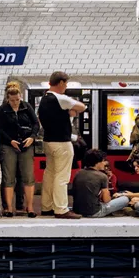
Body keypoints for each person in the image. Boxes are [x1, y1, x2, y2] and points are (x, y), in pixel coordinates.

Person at [38, 71, 86, 219]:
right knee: (62, 176)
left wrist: (68, 112)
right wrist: (70, 110)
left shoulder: (44, 99)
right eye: (65, 84)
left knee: (50, 174)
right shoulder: (60, 98)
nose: (66, 86)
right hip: (62, 143)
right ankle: (61, 209)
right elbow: (82, 106)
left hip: (48, 142)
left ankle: (47, 206)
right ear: (60, 83)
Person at [0, 86, 38, 217]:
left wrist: (32, 137)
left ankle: (29, 207)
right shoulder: (3, 110)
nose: (15, 103)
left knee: (28, 176)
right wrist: (10, 141)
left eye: (17, 100)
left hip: (26, 144)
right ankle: (8, 207)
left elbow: (36, 124)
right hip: (8, 145)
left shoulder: (26, 107)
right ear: (8, 99)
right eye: (13, 100)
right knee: (8, 176)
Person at [72, 149, 131, 218]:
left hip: (77, 211)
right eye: (103, 161)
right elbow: (106, 200)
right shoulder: (102, 176)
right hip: (95, 212)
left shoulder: (78, 173)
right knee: (125, 199)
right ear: (97, 162)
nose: (104, 163)